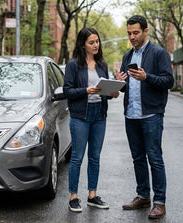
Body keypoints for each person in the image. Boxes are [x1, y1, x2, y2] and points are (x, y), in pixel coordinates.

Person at [115, 15, 174, 219]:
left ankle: (159, 202)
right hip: (131, 115)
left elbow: (168, 81)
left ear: (145, 31)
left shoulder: (158, 53)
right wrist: (118, 81)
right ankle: (143, 196)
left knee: (155, 159)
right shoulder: (126, 56)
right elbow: (125, 88)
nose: (132, 37)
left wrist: (147, 77)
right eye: (129, 33)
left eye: (136, 33)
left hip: (151, 115)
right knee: (137, 158)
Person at [63, 27, 119, 213]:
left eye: (97, 41)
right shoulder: (73, 65)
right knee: (77, 157)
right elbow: (68, 92)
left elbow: (106, 92)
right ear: (83, 45)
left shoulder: (102, 65)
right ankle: (73, 197)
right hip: (80, 115)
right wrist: (86, 91)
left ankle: (92, 196)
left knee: (95, 157)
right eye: (91, 42)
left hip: (99, 115)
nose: (96, 45)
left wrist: (113, 93)